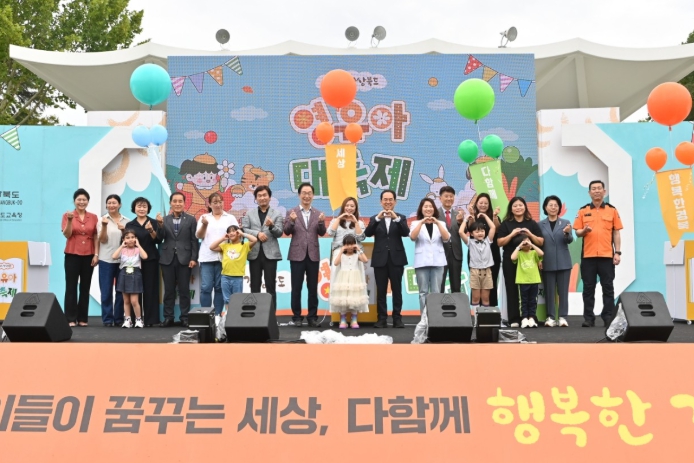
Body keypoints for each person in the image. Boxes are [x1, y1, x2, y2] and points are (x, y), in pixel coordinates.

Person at [573, 180, 623, 327]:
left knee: (608, 287)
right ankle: (589, 318)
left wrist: (618, 252)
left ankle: (608, 316)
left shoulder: (612, 210)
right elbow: (577, 232)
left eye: (599, 188)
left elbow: (616, 232)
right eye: (593, 189)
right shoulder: (582, 210)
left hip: (606, 256)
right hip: (588, 256)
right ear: (589, 192)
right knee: (588, 288)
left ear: (604, 191)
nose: (596, 191)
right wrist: (584, 230)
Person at [364, 189, 410, 328]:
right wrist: (378, 219)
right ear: (381, 202)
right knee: (381, 290)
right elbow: (367, 233)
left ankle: (397, 318)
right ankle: (382, 318)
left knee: (397, 290)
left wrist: (396, 218)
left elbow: (406, 232)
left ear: (395, 202)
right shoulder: (375, 218)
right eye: (385, 199)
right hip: (380, 259)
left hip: (396, 259)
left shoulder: (401, 217)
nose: (388, 202)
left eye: (391, 200)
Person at [496, 197, 544, 328]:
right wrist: (511, 235)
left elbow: (540, 242)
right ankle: (514, 318)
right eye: (515, 206)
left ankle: (530, 317)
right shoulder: (506, 223)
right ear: (511, 209)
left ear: (525, 207)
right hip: (510, 259)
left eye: (520, 205)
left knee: (530, 291)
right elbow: (499, 242)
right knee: (512, 289)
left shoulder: (531, 223)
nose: (518, 208)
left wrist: (530, 234)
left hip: (529, 261)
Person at [283, 183, 326, 327]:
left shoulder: (318, 213)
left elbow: (322, 232)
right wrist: (292, 221)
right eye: (304, 193)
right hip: (297, 255)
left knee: (313, 288)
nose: (306, 196)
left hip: (313, 255)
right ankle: (297, 317)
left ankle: (312, 317)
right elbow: (286, 231)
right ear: (299, 195)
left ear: (313, 195)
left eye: (309, 193)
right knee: (296, 287)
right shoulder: (291, 212)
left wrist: (321, 223)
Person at [157, 192, 199, 327]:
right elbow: (159, 238)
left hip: (185, 259)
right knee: (169, 290)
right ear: (170, 203)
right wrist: (160, 225)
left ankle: (185, 317)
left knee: (184, 290)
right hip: (167, 259)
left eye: (180, 201)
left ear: (184, 203)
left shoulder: (191, 220)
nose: (177, 203)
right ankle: (168, 317)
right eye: (174, 201)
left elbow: (194, 240)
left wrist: (194, 258)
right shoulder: (164, 219)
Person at [241, 186, 284, 313]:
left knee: (270, 286)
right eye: (259, 196)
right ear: (256, 198)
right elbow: (244, 229)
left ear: (269, 197)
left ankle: (271, 316)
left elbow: (279, 233)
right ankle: (255, 315)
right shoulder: (249, 213)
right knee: (255, 285)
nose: (262, 198)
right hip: (254, 253)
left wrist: (271, 226)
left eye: (265, 195)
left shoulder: (277, 214)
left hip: (270, 255)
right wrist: (257, 234)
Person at [62, 188, 99, 327]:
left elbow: (95, 236)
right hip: (72, 254)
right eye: (79, 199)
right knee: (71, 286)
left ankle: (83, 318)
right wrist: (70, 220)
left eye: (84, 199)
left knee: (85, 286)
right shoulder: (67, 215)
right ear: (74, 201)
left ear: (88, 201)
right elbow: (67, 234)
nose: (81, 202)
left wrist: (96, 254)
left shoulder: (93, 217)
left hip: (89, 254)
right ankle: (70, 318)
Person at [196, 192, 238, 315]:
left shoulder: (230, 218)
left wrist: (222, 248)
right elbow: (199, 236)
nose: (218, 205)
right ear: (209, 204)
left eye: (220, 202)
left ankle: (217, 315)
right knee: (206, 287)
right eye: (215, 202)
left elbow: (236, 236)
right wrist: (204, 225)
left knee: (219, 288)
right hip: (207, 257)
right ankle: (206, 315)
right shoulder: (204, 217)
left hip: (225, 258)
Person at [409, 197, 451, 314]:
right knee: (423, 292)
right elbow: (413, 237)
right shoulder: (415, 223)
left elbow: (446, 238)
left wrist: (437, 223)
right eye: (425, 206)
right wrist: (421, 222)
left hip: (438, 261)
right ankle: (424, 317)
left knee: (436, 291)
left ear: (434, 209)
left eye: (430, 206)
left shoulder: (441, 223)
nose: (428, 209)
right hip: (422, 261)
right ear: (421, 209)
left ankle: (435, 317)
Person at [126, 197, 162, 327]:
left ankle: (151, 319)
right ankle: (136, 319)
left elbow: (158, 240)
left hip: (150, 259)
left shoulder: (154, 222)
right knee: (134, 289)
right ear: (134, 208)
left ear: (148, 209)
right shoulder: (130, 225)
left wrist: (151, 230)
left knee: (150, 288)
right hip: (133, 261)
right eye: (139, 206)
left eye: (144, 206)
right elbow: (126, 241)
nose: (141, 209)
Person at [539, 195, 574, 327]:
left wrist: (567, 233)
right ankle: (550, 317)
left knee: (563, 292)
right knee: (549, 291)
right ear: (545, 207)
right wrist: (539, 259)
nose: (553, 208)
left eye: (556, 205)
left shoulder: (565, 223)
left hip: (563, 262)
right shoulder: (540, 224)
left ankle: (563, 317)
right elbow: (539, 244)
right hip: (547, 261)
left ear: (559, 208)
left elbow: (569, 241)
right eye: (550, 205)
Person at [462, 193, 501, 306]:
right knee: (476, 284)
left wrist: (493, 216)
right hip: (475, 254)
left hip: (492, 253)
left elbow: (497, 229)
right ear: (476, 204)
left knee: (491, 282)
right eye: (481, 203)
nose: (483, 205)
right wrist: (471, 215)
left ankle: (490, 309)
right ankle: (476, 310)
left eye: (486, 203)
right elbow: (469, 229)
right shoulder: (472, 216)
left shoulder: (494, 216)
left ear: (489, 205)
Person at [97, 194, 129, 327]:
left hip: (123, 260)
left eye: (114, 203)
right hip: (106, 259)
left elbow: (129, 240)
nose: (111, 205)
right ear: (106, 205)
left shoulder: (126, 221)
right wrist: (104, 226)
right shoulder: (102, 220)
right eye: (109, 203)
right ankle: (107, 319)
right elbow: (102, 240)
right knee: (106, 290)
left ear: (119, 204)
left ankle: (119, 318)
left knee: (121, 291)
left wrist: (123, 230)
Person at [210, 225, 258, 312]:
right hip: (225, 276)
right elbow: (212, 247)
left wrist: (243, 234)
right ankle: (228, 315)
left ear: (238, 233)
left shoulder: (244, 246)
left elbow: (254, 240)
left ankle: (236, 316)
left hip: (237, 277)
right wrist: (222, 239)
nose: (231, 233)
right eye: (229, 232)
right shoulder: (225, 246)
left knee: (237, 299)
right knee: (226, 299)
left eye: (233, 231)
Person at [330, 235, 370, 329]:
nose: (350, 247)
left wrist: (359, 249)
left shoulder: (357, 255)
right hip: (343, 278)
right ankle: (343, 319)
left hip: (355, 279)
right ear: (344, 245)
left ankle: (354, 319)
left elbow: (365, 260)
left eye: (352, 244)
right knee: (343, 298)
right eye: (347, 244)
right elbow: (335, 263)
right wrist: (340, 251)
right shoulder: (342, 255)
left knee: (354, 298)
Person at [112, 229, 148, 328]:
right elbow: (114, 256)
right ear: (123, 239)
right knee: (126, 300)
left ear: (136, 239)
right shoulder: (122, 250)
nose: (130, 239)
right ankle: (128, 320)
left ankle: (139, 319)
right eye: (127, 238)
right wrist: (121, 246)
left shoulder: (138, 249)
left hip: (135, 273)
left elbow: (145, 256)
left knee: (134, 301)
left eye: (132, 237)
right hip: (124, 273)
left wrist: (138, 245)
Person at [460, 213, 497, 307]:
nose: (480, 233)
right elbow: (460, 232)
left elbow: (493, 227)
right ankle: (475, 316)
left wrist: (485, 216)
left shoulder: (488, 241)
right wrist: (465, 220)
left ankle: (484, 316)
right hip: (475, 271)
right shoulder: (470, 242)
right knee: (475, 298)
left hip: (487, 271)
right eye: (477, 231)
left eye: (482, 231)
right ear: (472, 233)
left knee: (486, 298)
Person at [510, 237, 544, 328]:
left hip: (534, 280)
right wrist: (519, 246)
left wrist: (531, 244)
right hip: (523, 281)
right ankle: (524, 318)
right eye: (524, 242)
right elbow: (512, 257)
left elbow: (541, 253)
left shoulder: (534, 253)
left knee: (533, 300)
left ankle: (531, 318)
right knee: (523, 301)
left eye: (528, 241)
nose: (526, 243)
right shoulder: (519, 253)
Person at [438, 186, 464, 293]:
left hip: (456, 254)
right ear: (440, 198)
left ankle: (456, 304)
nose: (449, 199)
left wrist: (461, 222)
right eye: (446, 196)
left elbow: (464, 231)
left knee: (456, 286)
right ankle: (439, 304)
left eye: (451, 196)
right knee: (439, 285)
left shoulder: (459, 214)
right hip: (440, 253)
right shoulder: (435, 214)